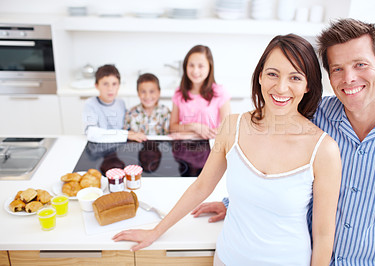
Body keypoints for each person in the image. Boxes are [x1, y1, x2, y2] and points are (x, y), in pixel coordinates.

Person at [112, 34, 342, 265]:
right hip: (227, 258)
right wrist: (155, 231)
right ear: (260, 76)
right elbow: (202, 186)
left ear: (308, 85)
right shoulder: (233, 127)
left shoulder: (324, 150)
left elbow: (323, 235)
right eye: (273, 73)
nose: (281, 87)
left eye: (295, 77)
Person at [193, 18, 375, 265]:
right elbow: (272, 156)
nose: (349, 78)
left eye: (361, 64)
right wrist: (236, 201)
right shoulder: (314, 115)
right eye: (337, 69)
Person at [169, 45, 231, 139]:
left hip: (212, 148)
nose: (195, 71)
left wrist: (193, 135)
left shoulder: (220, 92)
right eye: (191, 65)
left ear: (209, 67)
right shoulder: (179, 93)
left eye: (201, 66)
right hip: (184, 148)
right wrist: (194, 127)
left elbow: (227, 129)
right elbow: (173, 127)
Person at [82, 64, 138, 143]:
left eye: (114, 84)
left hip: (118, 146)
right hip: (99, 147)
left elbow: (126, 126)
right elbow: (92, 133)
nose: (110, 89)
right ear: (97, 86)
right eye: (105, 84)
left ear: (119, 85)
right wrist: (125, 135)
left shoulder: (121, 103)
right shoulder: (90, 104)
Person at [124, 73, 170, 142]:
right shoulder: (130, 113)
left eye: (152, 91)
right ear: (138, 93)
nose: (147, 96)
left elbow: (169, 137)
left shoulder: (165, 112)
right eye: (143, 92)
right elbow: (126, 136)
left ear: (159, 92)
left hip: (160, 150)